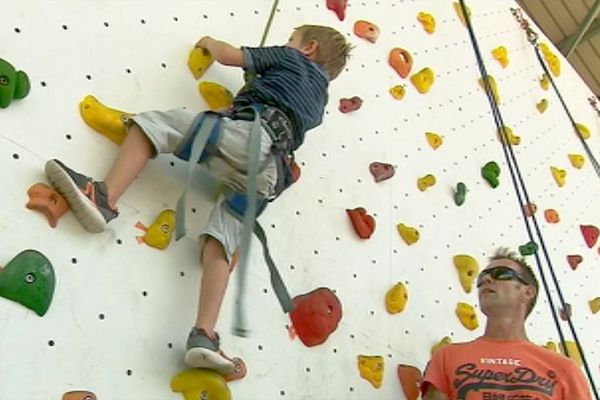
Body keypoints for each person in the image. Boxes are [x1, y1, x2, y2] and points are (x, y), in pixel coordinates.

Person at [45, 25, 351, 373]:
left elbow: (229, 55)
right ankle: (205, 334)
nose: (286, 45)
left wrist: (211, 43)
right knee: (221, 241)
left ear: (308, 48)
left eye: (291, 40)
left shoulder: (290, 59)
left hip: (249, 138)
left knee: (158, 124)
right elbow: (284, 100)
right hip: (271, 174)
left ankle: (104, 196)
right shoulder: (319, 100)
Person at [421, 248, 592, 399]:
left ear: (528, 292)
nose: (487, 279)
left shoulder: (565, 369)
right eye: (482, 277)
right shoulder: (446, 357)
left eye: (501, 274)